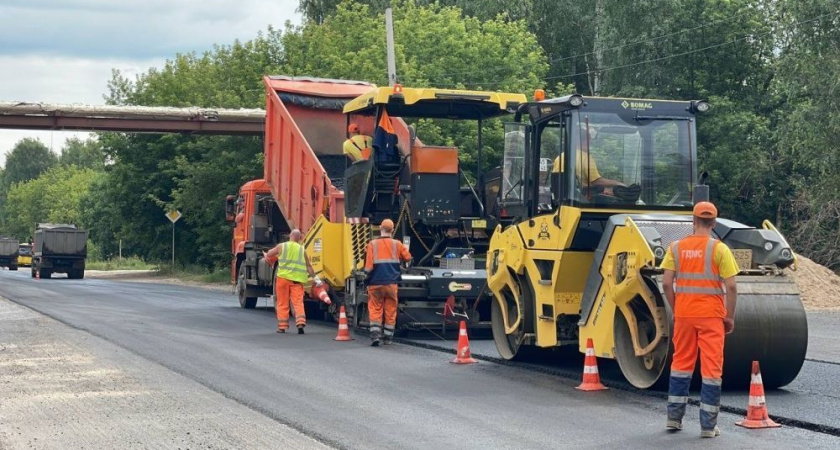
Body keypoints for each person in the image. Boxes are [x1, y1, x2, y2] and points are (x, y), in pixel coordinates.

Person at [660, 201, 739, 438]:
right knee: (711, 369)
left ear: (693, 221)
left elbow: (665, 283)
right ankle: (707, 426)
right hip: (712, 317)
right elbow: (732, 287)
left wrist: (678, 308)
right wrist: (730, 316)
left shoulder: (675, 247)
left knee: (681, 365)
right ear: (714, 223)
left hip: (684, 315)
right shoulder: (720, 249)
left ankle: (674, 419)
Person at [364, 219, 412, 346]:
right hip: (391, 283)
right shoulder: (397, 244)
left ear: (380, 228)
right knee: (390, 309)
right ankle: (388, 338)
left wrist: (364, 277)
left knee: (375, 308)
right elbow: (408, 258)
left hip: (375, 282)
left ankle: (375, 335)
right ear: (392, 229)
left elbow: (368, 267)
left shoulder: (372, 244)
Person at [264, 229, 318, 334]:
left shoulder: (282, 246)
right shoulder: (302, 250)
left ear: (290, 236)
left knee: (282, 302)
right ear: (299, 238)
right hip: (296, 281)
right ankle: (300, 322)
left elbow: (270, 254)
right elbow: (308, 266)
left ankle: (282, 327)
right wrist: (316, 278)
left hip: (283, 279)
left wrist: (266, 254)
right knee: (298, 302)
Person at [551, 127, 623, 193]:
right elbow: (596, 182)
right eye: (588, 141)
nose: (590, 144)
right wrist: (618, 183)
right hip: (582, 200)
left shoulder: (560, 157)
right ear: (584, 141)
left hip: (564, 198)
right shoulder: (586, 158)